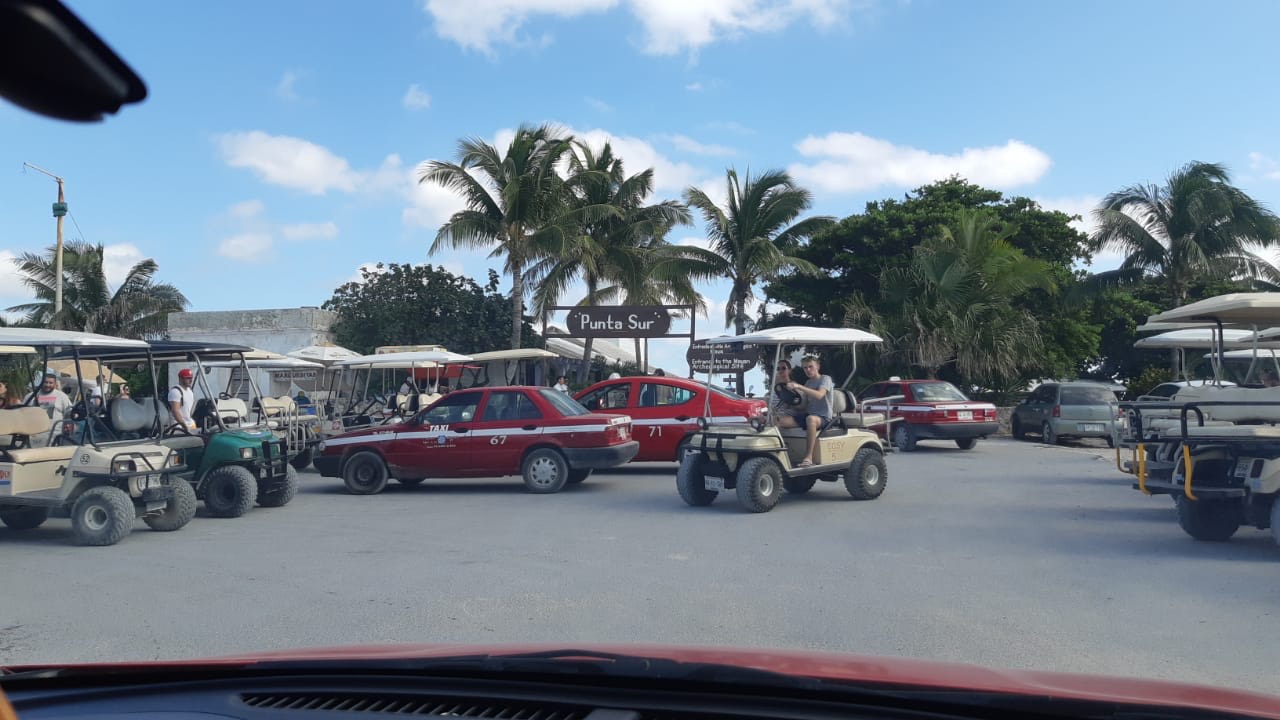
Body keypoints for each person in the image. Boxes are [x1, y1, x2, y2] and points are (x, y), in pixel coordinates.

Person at [776, 355, 834, 468]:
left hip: (824, 417)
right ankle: (781, 454)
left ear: (817, 366)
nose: (808, 370)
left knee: (810, 419)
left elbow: (819, 395)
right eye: (805, 368)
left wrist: (799, 387)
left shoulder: (825, 379)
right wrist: (790, 400)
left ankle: (809, 457)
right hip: (809, 415)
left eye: (810, 367)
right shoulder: (808, 383)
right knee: (779, 421)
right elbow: (804, 405)